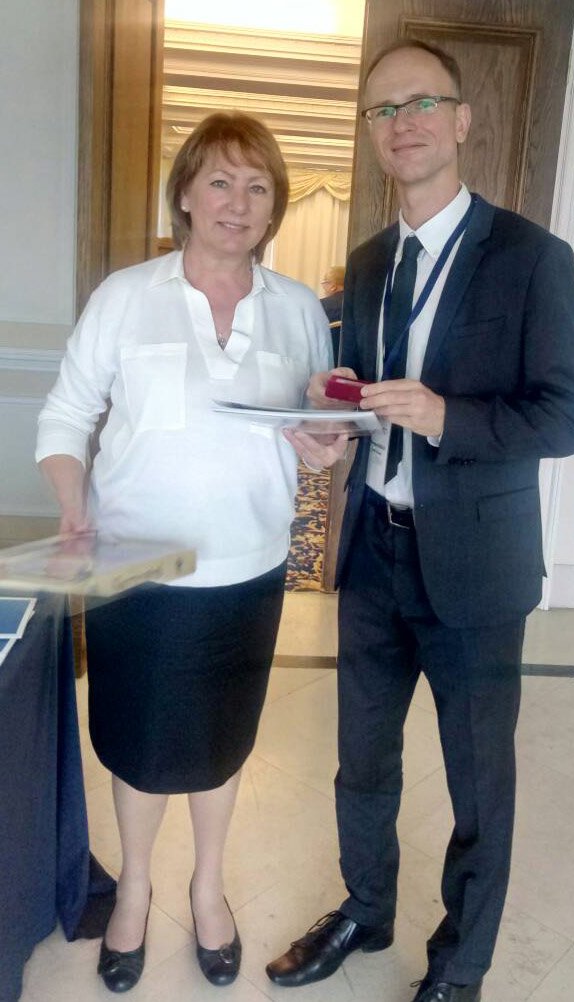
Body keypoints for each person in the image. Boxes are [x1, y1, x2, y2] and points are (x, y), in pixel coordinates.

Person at [265, 39, 574, 1002]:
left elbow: (568, 418)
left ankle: (461, 965)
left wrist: (449, 417)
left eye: (421, 104)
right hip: (373, 550)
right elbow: (372, 399)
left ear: (461, 120)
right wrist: (337, 425)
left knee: (478, 782)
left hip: (477, 569)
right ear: (372, 134)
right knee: (360, 761)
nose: (402, 123)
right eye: (383, 110)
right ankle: (366, 912)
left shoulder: (531, 258)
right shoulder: (371, 262)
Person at [35, 111, 345, 994]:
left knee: (220, 743)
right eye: (219, 181)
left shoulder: (296, 309)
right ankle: (134, 889)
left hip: (248, 570)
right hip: (137, 570)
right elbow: (65, 415)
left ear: (274, 207)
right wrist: (73, 509)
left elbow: (315, 432)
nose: (237, 203)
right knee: (137, 746)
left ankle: (209, 890)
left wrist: (325, 449)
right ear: (184, 194)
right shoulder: (126, 295)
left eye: (257, 187)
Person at [319, 264, 346, 361]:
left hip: (327, 358)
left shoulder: (320, 306)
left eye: (324, 283)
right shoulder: (360, 306)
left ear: (333, 286)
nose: (323, 288)